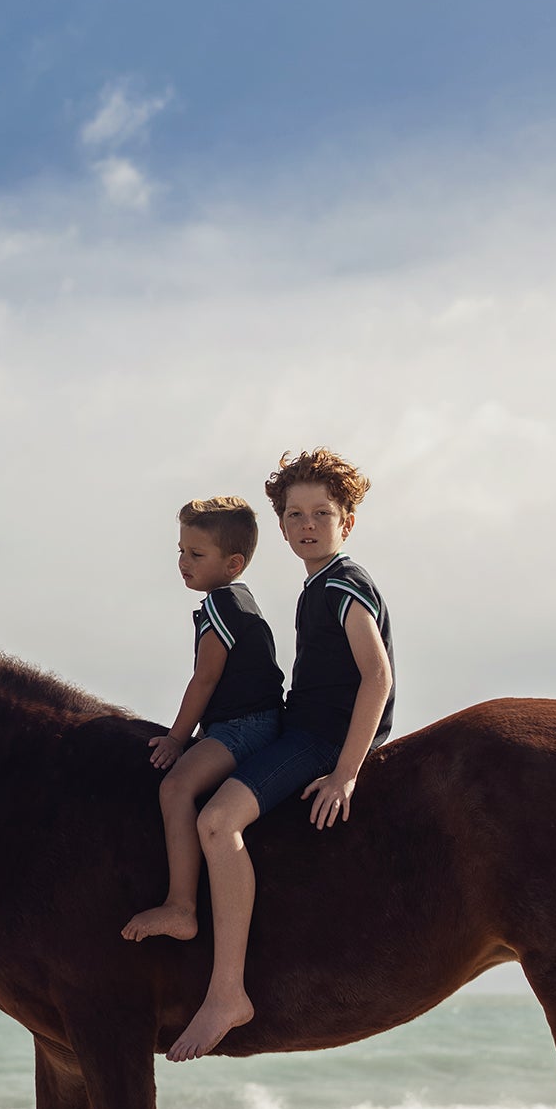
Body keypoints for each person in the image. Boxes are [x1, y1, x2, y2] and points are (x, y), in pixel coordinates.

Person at [167, 448, 395, 1062]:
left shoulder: (343, 584)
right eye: (294, 515)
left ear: (347, 521)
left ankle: (227, 993)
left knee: (216, 821)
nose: (307, 525)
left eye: (322, 512)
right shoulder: (314, 588)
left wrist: (345, 774)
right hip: (302, 727)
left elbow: (377, 678)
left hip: (321, 740)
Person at [121, 497, 284, 945]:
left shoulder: (219, 605)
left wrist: (177, 739)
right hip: (262, 721)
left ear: (233, 563)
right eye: (180, 550)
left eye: (196, 554)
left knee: (175, 788)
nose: (182, 562)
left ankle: (181, 906)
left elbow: (205, 678)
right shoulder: (243, 600)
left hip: (241, 727)